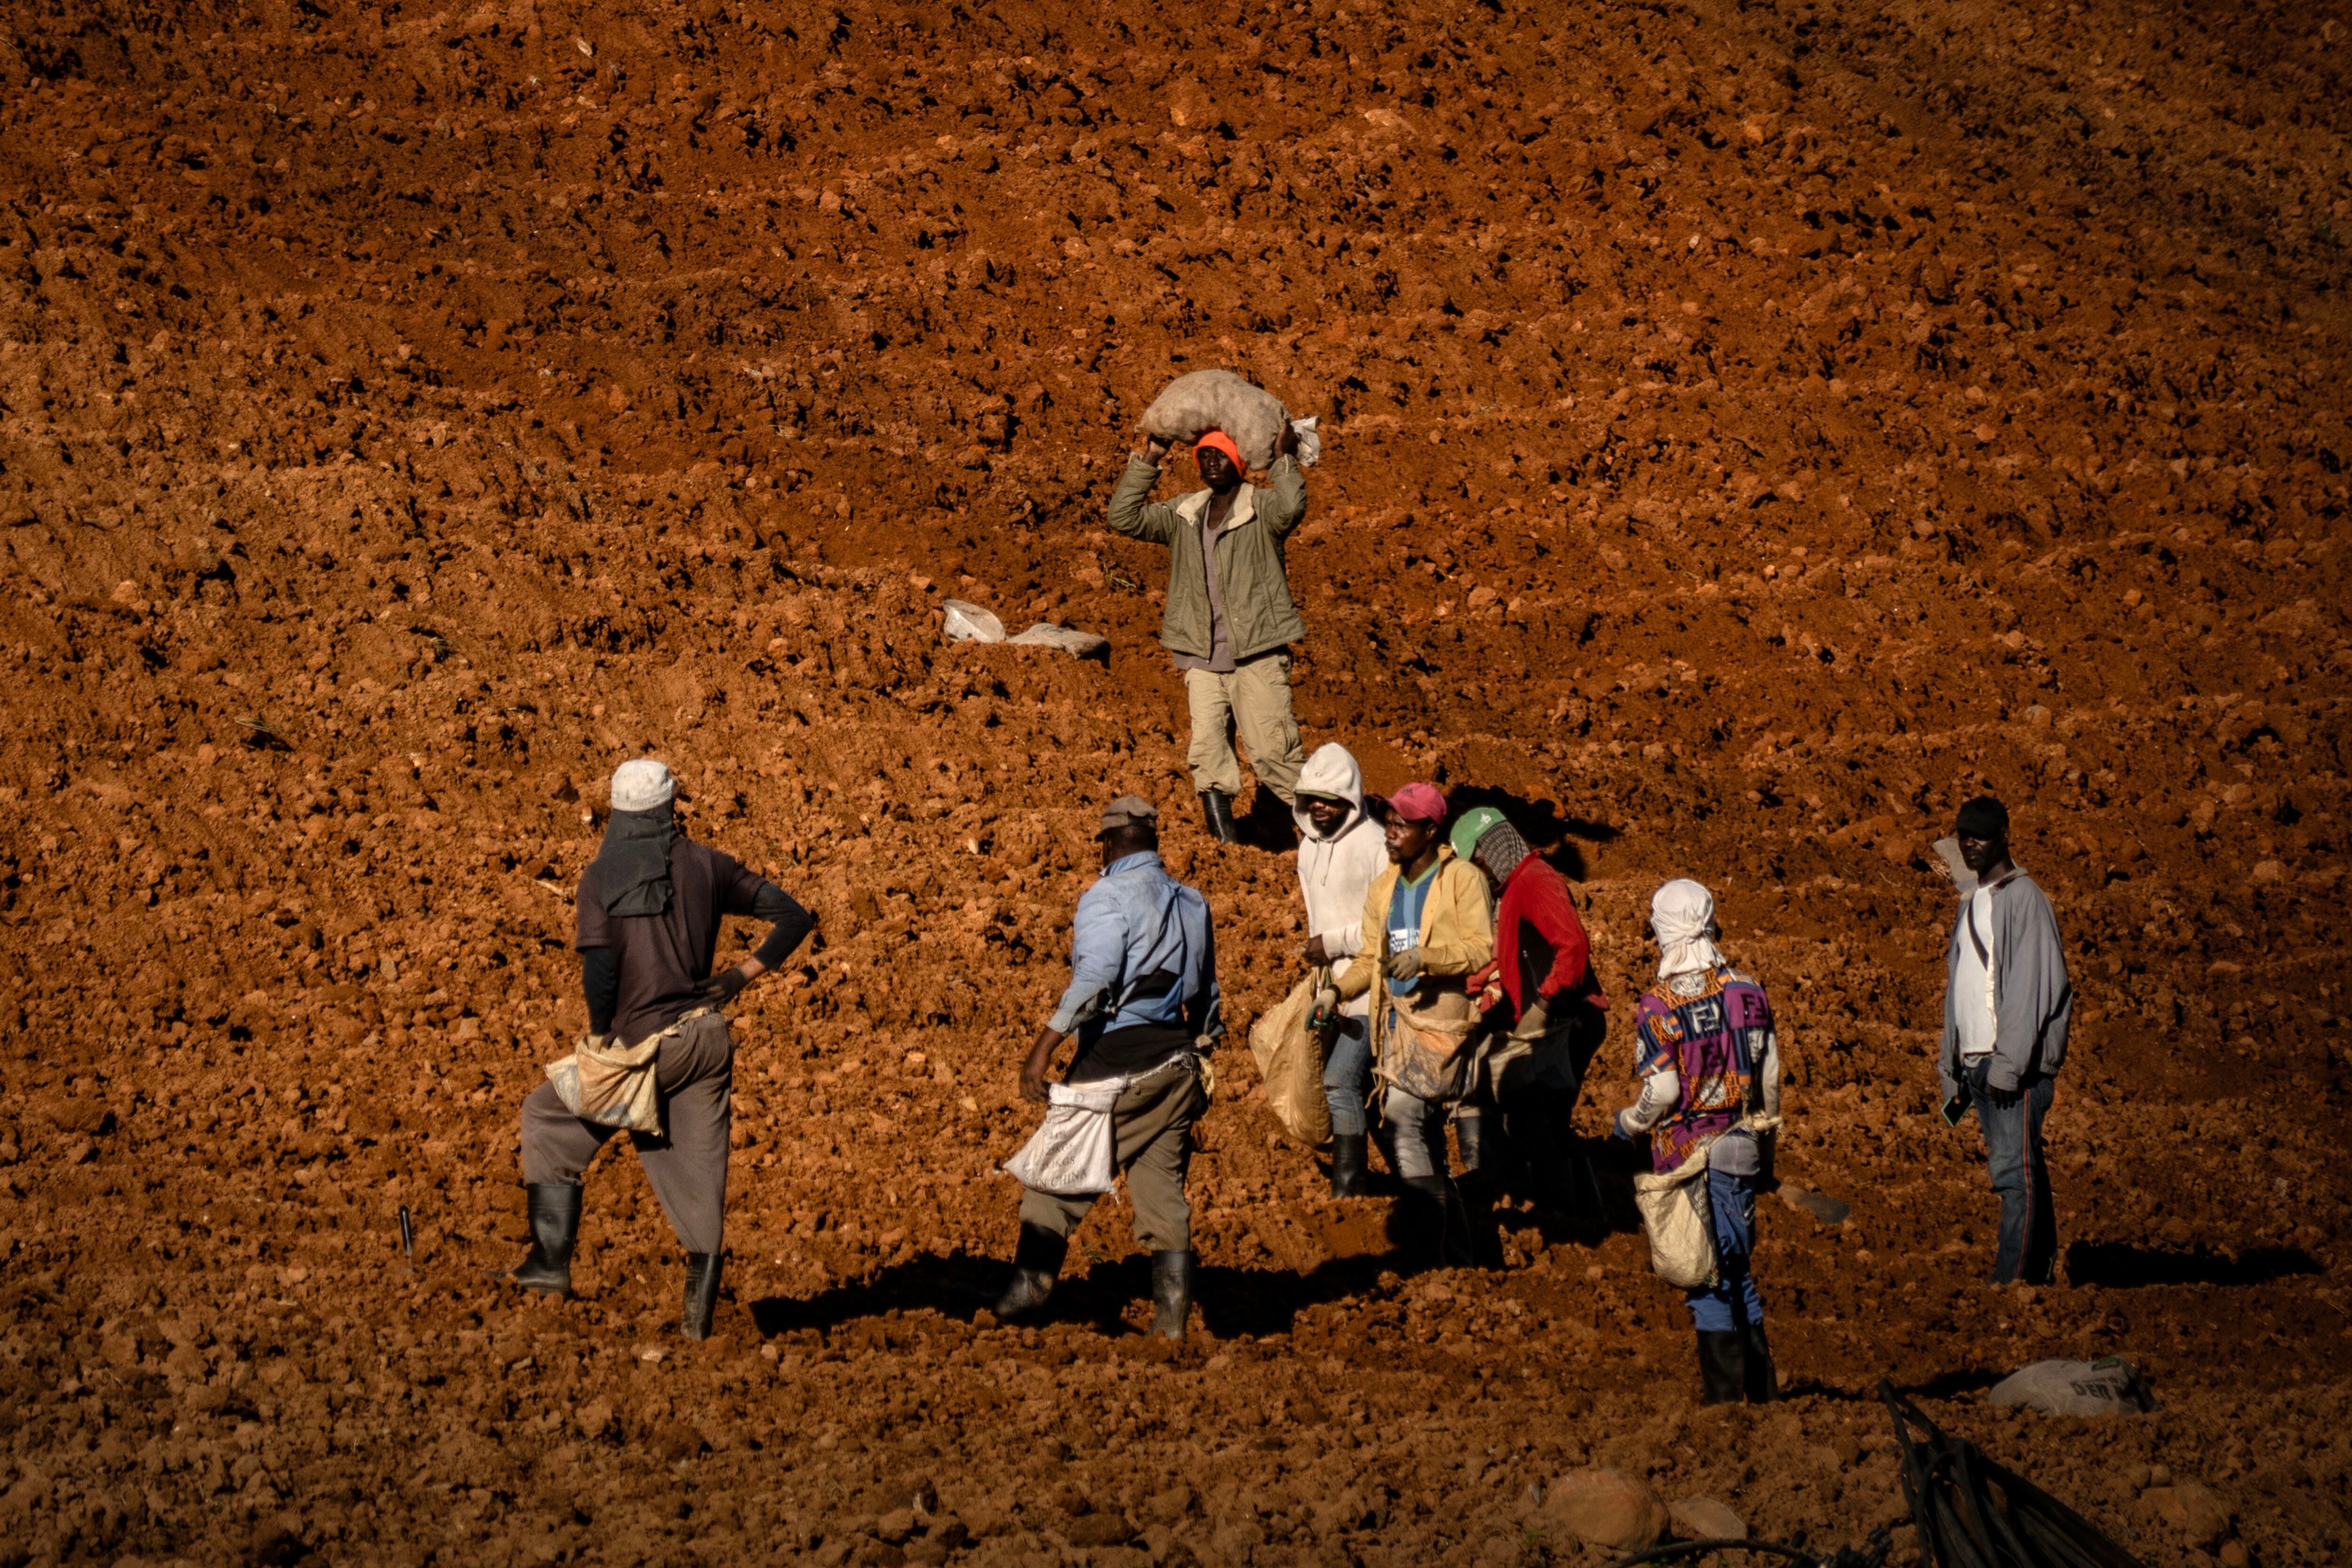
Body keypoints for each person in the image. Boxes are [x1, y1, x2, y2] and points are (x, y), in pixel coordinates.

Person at [501, 759, 814, 1340]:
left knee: (545, 1116)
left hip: (646, 1046)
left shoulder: (599, 878)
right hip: (707, 1041)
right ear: (672, 806)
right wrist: (739, 977)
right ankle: (697, 1323)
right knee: (699, 1172)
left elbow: (600, 970)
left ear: (617, 811)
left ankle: (548, 1266)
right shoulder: (708, 865)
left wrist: (600, 1042)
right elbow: (794, 917)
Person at [995, 795, 1221, 1338]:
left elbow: (1094, 980)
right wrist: (1200, 1052)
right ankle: (1170, 1326)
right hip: (1178, 1065)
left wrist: (1043, 1048)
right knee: (1160, 1189)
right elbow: (1208, 997)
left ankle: (1028, 1292)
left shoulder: (1104, 897)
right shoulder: (1191, 902)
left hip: (1117, 1065)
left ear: (1109, 842)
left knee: (1052, 1177)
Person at [1613, 879, 1782, 1404]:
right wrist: (1766, 1152)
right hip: (1741, 1146)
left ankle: (1725, 1402)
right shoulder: (1749, 991)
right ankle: (1761, 1397)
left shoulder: (1657, 1007)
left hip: (1687, 1155)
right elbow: (1770, 1081)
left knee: (1704, 1277)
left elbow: (1662, 1089)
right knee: (1737, 1274)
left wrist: (1629, 1122)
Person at [1107, 422, 1309, 843]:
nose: (1212, 461)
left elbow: (1292, 508)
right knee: (1208, 756)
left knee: (1274, 752)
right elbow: (1122, 516)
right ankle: (1227, 849)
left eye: (1221, 454)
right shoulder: (1184, 514)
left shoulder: (1262, 508)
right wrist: (1151, 457)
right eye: (1204, 455)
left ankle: (1330, 837)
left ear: (1239, 461)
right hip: (1201, 653)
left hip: (1257, 651)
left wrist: (1284, 458)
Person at [1322, 782, 1492, 1267]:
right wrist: (1336, 993)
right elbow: (1369, 959)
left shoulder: (1460, 879)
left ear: (1431, 830)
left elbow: (1481, 947)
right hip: (1396, 1027)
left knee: (1401, 1122)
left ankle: (1429, 1252)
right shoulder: (1385, 887)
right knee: (1426, 1147)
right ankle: (1459, 1257)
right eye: (1389, 823)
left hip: (1441, 1027)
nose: (1390, 834)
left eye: (1401, 825)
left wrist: (1426, 959)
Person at [1937, 795, 2072, 1287]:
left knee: (2013, 1176)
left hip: (2007, 1067)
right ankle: (2038, 1275)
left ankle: (2011, 1282)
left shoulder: (2024, 899)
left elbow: (2031, 989)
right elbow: (1960, 985)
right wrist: (1950, 1067)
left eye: (1980, 836)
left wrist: (2008, 1064)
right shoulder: (1972, 900)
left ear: (2004, 837)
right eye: (1962, 836)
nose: (1969, 845)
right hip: (1979, 1064)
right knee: (2022, 1170)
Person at [1451, 806, 1608, 1218]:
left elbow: (1572, 946)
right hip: (1559, 1020)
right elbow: (1511, 961)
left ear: (1490, 850)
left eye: (1475, 862)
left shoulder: (1535, 881)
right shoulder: (1513, 890)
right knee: (1547, 1121)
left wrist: (1543, 1005)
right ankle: (1586, 1212)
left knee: (1529, 1116)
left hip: (1565, 1022)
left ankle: (1564, 1216)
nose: (1476, 874)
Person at [1291, 744, 1390, 1196]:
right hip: (1332, 987)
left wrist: (1331, 944)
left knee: (1340, 1079)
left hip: (1374, 986)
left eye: (1329, 799)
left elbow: (1385, 926)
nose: (1319, 807)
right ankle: (1415, 1181)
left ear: (1351, 797)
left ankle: (1350, 1185)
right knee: (1361, 1089)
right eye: (1312, 798)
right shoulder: (1307, 850)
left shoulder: (1375, 845)